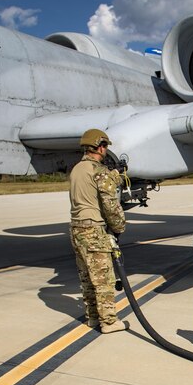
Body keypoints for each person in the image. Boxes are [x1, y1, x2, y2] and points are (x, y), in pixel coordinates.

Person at [69, 128, 128, 334]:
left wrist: (113, 177)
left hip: (76, 229)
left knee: (87, 278)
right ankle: (109, 322)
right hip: (94, 230)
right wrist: (120, 226)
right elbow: (110, 205)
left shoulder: (77, 169)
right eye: (105, 146)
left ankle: (92, 317)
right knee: (103, 280)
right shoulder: (99, 171)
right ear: (100, 146)